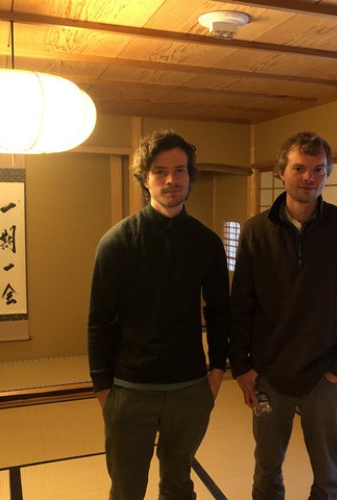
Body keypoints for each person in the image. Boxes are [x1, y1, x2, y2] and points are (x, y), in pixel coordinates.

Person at [229, 131, 337, 499]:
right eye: (299, 168)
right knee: (266, 468)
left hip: (325, 374)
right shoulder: (256, 231)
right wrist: (242, 366)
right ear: (281, 172)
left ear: (327, 173)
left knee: (328, 473)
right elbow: (241, 304)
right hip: (268, 372)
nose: (309, 177)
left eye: (318, 169)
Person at [88, 129, 229, 500]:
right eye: (160, 171)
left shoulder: (206, 243)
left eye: (180, 170)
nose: (171, 180)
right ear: (145, 179)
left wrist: (217, 371)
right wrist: (103, 388)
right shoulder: (117, 242)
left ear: (190, 176)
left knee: (179, 485)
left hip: (190, 387)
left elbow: (219, 311)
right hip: (130, 389)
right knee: (126, 489)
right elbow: (99, 320)